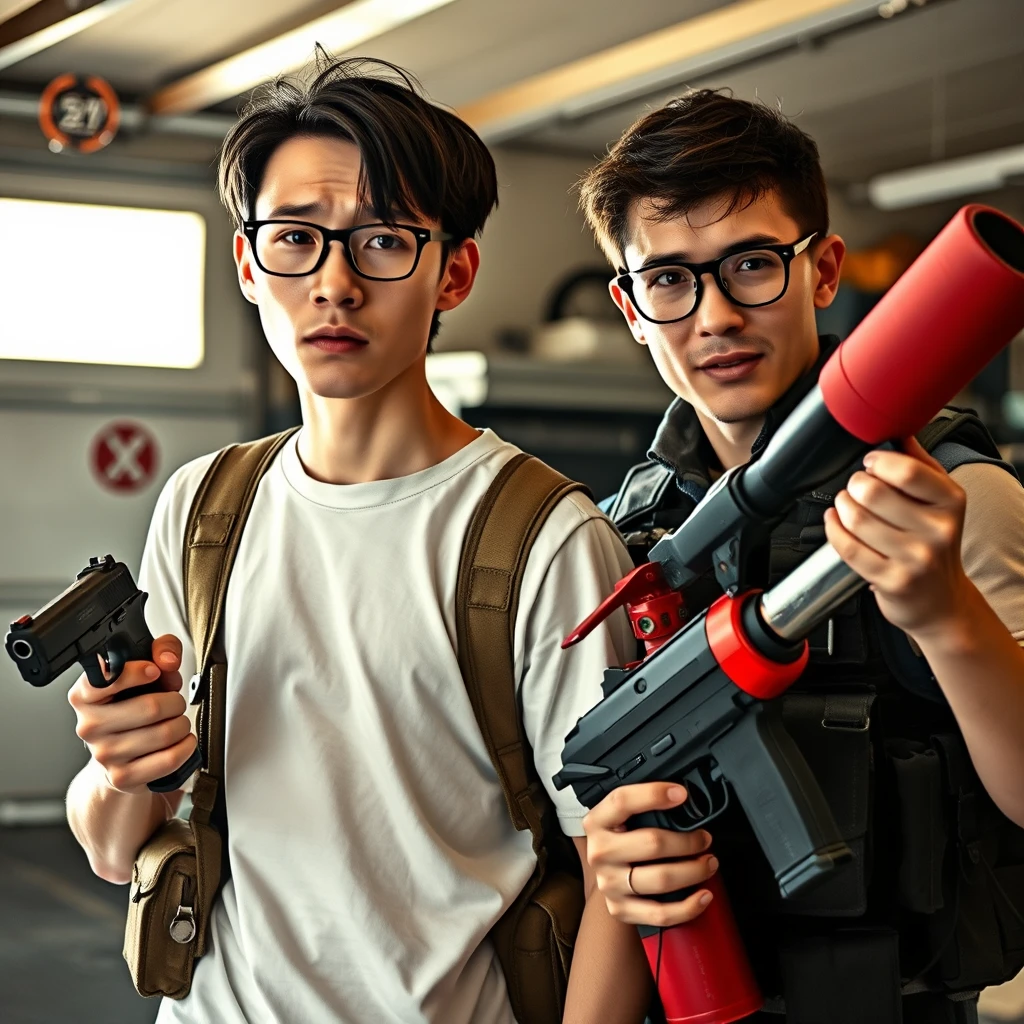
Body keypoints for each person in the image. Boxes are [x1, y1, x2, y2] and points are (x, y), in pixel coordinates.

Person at [64, 56, 659, 1024]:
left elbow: (616, 869)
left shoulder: (543, 536)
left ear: (452, 270)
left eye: (382, 241)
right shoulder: (205, 506)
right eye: (296, 238)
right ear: (250, 263)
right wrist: (123, 767)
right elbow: (111, 844)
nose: (335, 283)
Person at [575, 88, 1024, 1024]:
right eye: (669, 279)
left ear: (823, 271)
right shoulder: (628, 534)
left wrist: (945, 617)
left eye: (751, 265)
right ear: (629, 305)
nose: (715, 317)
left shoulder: (952, 496)